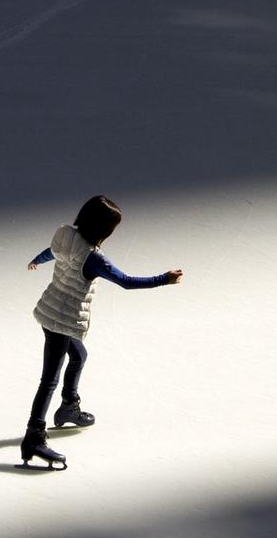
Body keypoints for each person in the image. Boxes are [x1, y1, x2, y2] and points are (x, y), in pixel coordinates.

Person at [20, 195, 182, 468]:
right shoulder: (93, 258)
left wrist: (38, 259)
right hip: (62, 321)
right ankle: (34, 437)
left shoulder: (66, 236)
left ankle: (69, 406)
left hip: (50, 311)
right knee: (49, 379)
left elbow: (52, 252)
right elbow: (126, 282)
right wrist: (164, 279)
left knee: (79, 356)